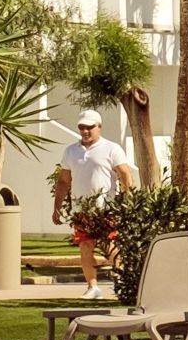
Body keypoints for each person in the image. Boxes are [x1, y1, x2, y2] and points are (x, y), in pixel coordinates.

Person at [58, 110, 138, 288]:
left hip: (105, 208)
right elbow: (64, 181)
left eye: (89, 127)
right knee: (85, 246)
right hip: (81, 210)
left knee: (109, 245)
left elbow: (125, 174)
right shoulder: (71, 151)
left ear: (99, 127)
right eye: (82, 127)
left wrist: (127, 200)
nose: (85, 131)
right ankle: (92, 287)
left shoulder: (111, 148)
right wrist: (57, 208)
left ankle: (124, 280)